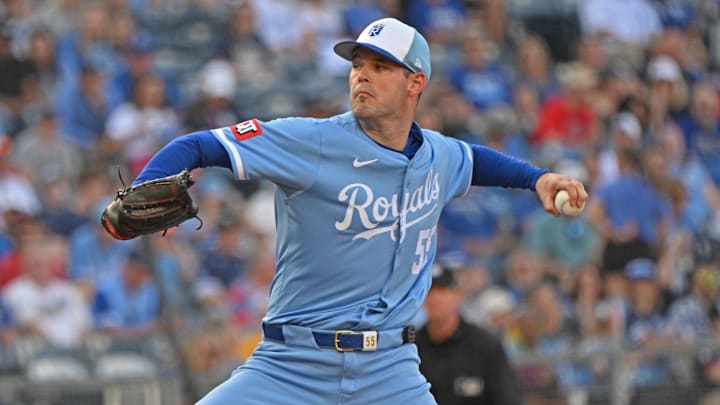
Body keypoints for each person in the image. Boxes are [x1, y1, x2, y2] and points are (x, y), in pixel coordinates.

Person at [111, 17, 587, 404]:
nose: (362, 74)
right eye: (358, 64)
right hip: (290, 367)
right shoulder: (312, 141)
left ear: (414, 82)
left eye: (381, 66)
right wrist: (145, 185)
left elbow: (474, 160)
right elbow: (200, 144)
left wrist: (537, 179)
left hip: (391, 372)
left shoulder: (437, 156)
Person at [415, 263, 523, 405]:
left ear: (458, 296)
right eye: (429, 291)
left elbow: (508, 399)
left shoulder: (485, 346)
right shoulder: (413, 347)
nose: (435, 298)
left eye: (442, 290)